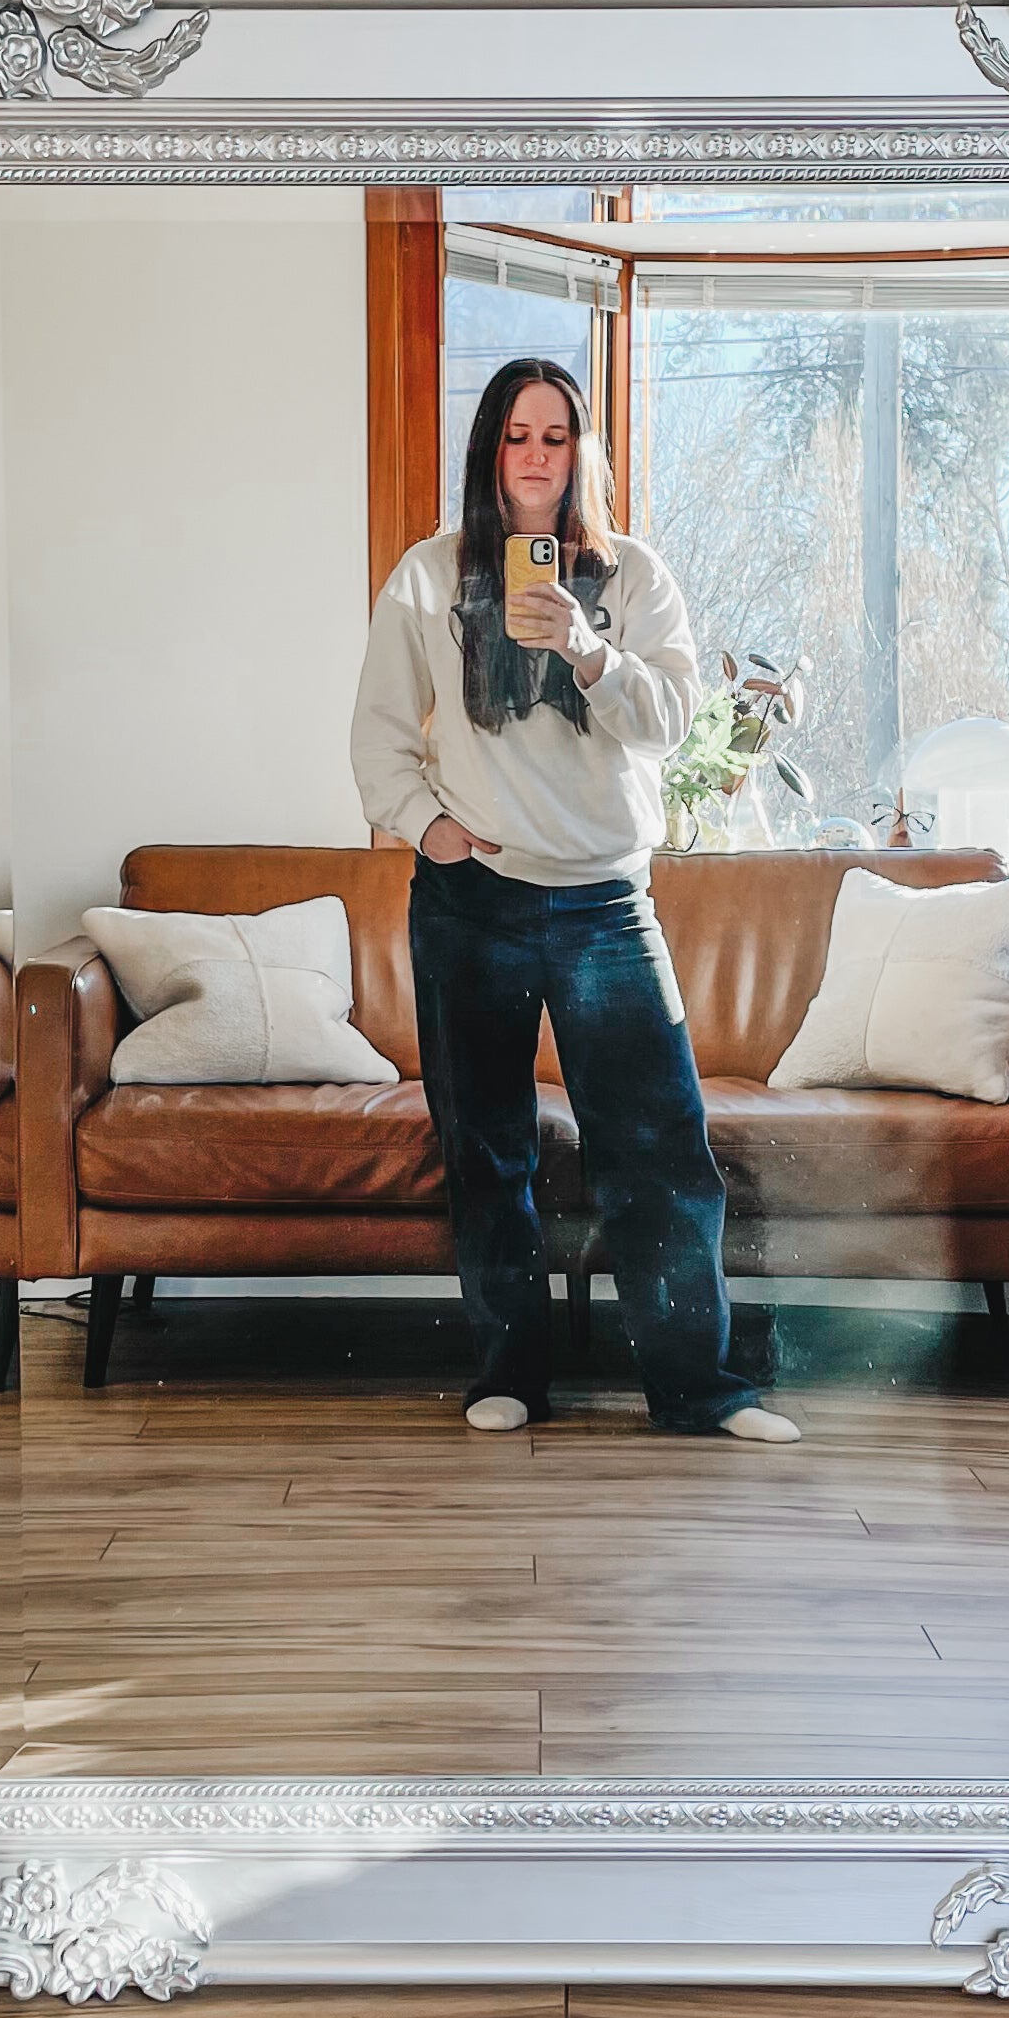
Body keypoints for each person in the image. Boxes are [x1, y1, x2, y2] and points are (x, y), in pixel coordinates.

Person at [352, 356, 799, 1444]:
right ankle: (508, 1372)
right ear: (488, 450)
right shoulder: (425, 575)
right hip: (471, 904)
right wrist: (430, 829)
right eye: (517, 436)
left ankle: (698, 1390)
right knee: (487, 1148)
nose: (536, 458)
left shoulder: (637, 576)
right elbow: (375, 731)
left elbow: (674, 724)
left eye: (555, 437)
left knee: (656, 1149)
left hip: (604, 903)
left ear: (580, 453)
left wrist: (587, 649)